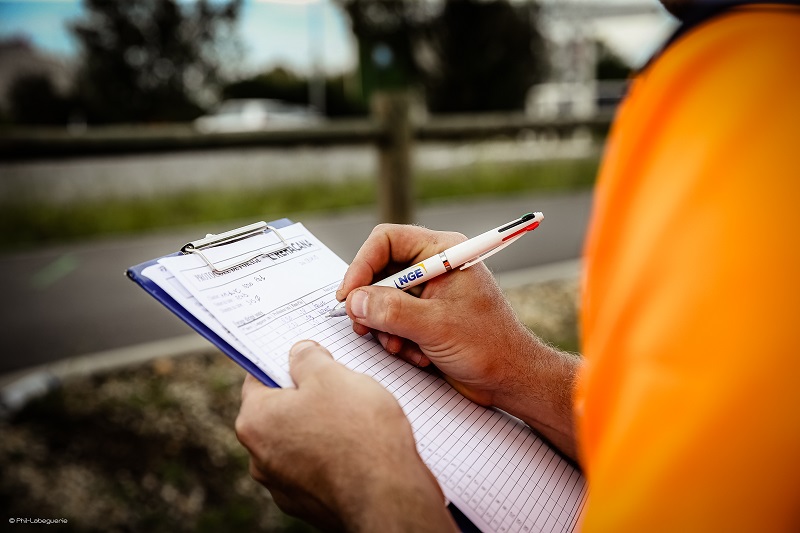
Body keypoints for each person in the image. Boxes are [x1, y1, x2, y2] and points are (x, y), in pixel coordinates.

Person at [236, 3, 800, 531]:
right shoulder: (738, 59)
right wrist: (518, 370)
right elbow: (698, 442)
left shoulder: (763, 90)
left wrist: (375, 489)